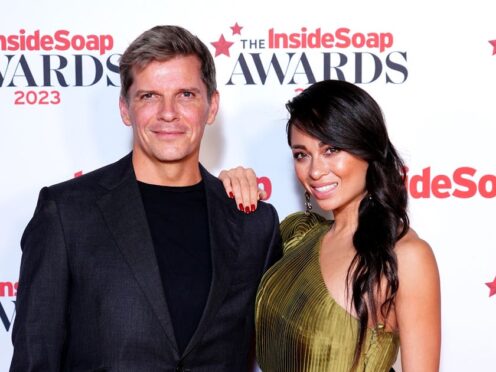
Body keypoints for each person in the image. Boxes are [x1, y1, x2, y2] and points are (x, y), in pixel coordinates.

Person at [10, 25, 281, 372]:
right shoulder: (66, 214)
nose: (168, 112)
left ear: (211, 106)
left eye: (186, 94)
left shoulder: (254, 223)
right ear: (125, 109)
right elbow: (36, 359)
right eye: (149, 96)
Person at [220, 79, 441, 371]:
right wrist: (222, 193)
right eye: (302, 155)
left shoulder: (407, 257)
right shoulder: (296, 233)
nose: (314, 171)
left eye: (331, 150)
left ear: (368, 149)